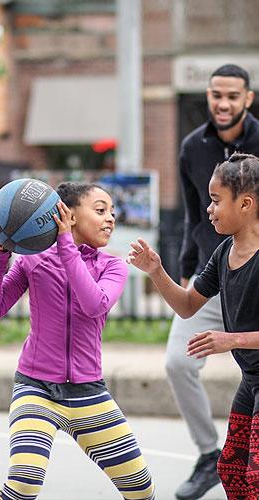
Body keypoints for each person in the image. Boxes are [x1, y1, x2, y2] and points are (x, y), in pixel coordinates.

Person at [0, 182, 155, 500]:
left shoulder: (112, 266)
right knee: (23, 483)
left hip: (89, 393)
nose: (111, 218)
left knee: (141, 491)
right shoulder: (33, 261)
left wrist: (65, 246)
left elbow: (94, 304)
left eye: (112, 212)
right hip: (36, 389)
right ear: (67, 215)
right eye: (100, 210)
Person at [128, 153, 259, 499]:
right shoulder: (224, 253)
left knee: (255, 476)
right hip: (253, 381)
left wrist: (231, 339)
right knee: (231, 471)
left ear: (245, 204)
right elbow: (187, 306)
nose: (209, 210)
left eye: (216, 201)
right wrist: (156, 270)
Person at [166, 63, 259, 500]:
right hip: (215, 271)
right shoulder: (191, 147)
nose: (223, 104)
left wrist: (234, 340)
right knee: (177, 362)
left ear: (248, 99)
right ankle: (208, 454)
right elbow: (190, 215)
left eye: (232, 96)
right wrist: (171, 268)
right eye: (215, 95)